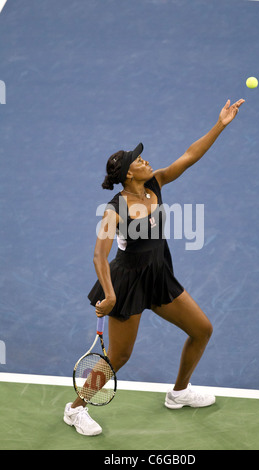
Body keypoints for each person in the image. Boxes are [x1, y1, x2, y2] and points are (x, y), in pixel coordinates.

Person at [64, 98, 245, 436]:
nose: (146, 160)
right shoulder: (114, 209)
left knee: (202, 329)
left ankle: (178, 393)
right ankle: (75, 409)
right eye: (139, 160)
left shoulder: (155, 184)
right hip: (127, 284)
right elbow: (98, 256)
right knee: (119, 357)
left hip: (159, 276)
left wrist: (220, 124)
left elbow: (190, 156)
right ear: (128, 173)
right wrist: (110, 294)